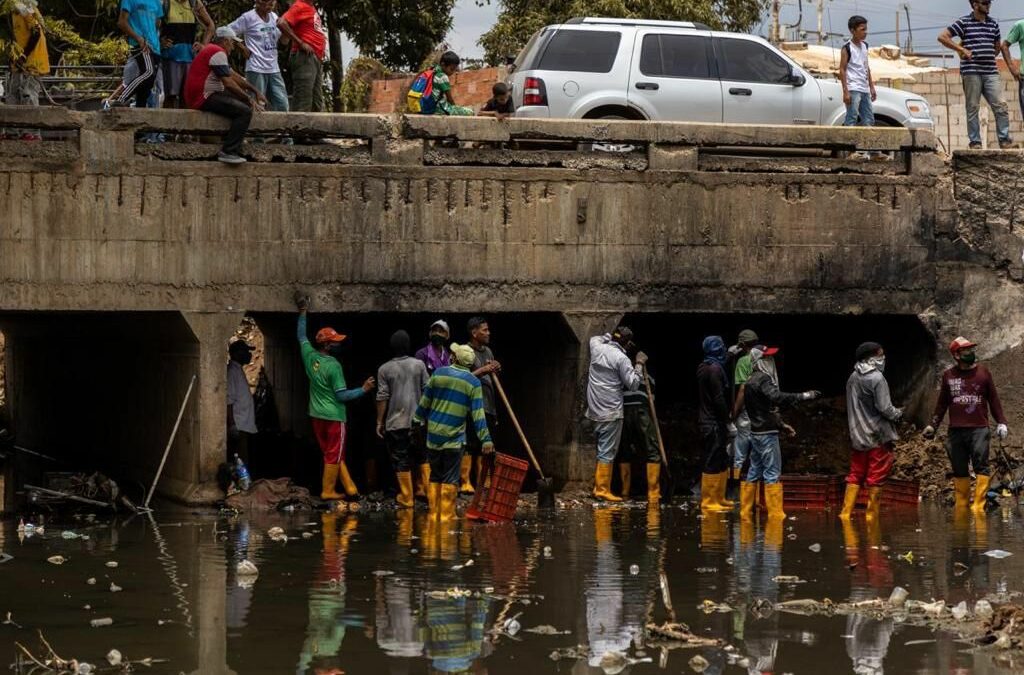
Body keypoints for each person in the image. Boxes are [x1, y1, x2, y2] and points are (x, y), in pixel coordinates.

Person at [295, 296, 375, 501]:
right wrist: (364, 389)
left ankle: (351, 489)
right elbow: (342, 395)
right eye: (335, 341)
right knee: (334, 454)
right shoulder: (334, 366)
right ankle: (328, 491)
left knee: (332, 453)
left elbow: (301, 336)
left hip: (316, 415)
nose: (339, 344)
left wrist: (303, 311)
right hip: (334, 416)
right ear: (328, 345)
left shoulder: (309, 356)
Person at [923, 337, 1008, 512]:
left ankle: (978, 507)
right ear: (956, 355)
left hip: (979, 429)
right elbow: (942, 404)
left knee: (981, 466)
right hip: (956, 431)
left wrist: (1001, 422)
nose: (970, 353)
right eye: (966, 350)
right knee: (959, 468)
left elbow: (993, 399)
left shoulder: (983, 373)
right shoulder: (948, 376)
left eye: (971, 349)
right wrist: (933, 425)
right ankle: (961, 506)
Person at [412, 343, 493, 523]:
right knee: (450, 477)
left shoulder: (439, 374)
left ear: (454, 358)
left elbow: (424, 403)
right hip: (454, 440)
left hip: (433, 437)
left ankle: (434, 515)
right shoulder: (473, 382)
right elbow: (478, 415)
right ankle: (446, 516)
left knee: (435, 475)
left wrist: (417, 420)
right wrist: (486, 440)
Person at [740, 346, 820, 520]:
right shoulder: (763, 379)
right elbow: (777, 397)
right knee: (772, 473)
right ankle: (775, 515)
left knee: (754, 470)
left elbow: (765, 408)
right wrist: (804, 396)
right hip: (767, 434)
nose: (771, 361)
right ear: (758, 361)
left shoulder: (749, 381)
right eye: (767, 358)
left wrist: (782, 424)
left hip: (756, 432)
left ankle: (745, 513)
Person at [938, 1, 1016, 150]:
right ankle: (975, 142)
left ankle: (1005, 140)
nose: (988, 5)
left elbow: (997, 46)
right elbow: (943, 37)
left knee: (1001, 105)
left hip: (990, 71)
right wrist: (961, 49)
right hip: (971, 71)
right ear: (974, 4)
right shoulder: (964, 22)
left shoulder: (993, 24)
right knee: (973, 107)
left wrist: (986, 54)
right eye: (984, 2)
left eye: (989, 2)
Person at [184, 26, 267, 165]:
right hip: (203, 97)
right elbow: (228, 83)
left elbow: (233, 76)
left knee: (242, 103)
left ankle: (230, 141)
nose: (233, 47)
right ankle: (229, 151)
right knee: (244, 111)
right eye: (233, 43)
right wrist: (249, 99)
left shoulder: (212, 50)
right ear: (226, 41)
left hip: (203, 95)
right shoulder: (218, 52)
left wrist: (255, 91)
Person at [841, 342, 902, 521]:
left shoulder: (852, 377)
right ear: (871, 358)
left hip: (857, 435)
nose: (883, 359)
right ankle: (871, 517)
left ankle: (845, 514)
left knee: (855, 474)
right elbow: (885, 408)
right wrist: (898, 414)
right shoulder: (877, 378)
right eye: (880, 355)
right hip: (877, 436)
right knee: (876, 475)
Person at [586, 327, 646, 502]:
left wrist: (611, 337)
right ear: (627, 344)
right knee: (607, 451)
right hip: (611, 410)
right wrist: (639, 364)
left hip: (595, 408)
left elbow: (597, 337)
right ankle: (602, 490)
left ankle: (599, 487)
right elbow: (633, 384)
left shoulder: (596, 346)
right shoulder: (621, 358)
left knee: (601, 448)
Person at [376, 330, 430, 509]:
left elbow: (382, 396)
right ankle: (428, 493)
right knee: (422, 457)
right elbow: (428, 390)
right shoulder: (419, 365)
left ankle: (407, 498)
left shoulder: (384, 369)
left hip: (395, 423)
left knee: (401, 459)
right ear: (408, 346)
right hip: (418, 422)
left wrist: (379, 421)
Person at [229, 0, 290, 113]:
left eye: (273, 2)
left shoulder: (274, 17)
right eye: (268, 1)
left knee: (282, 104)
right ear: (258, 2)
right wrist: (242, 47)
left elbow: (284, 41)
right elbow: (227, 31)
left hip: (273, 68)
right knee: (257, 105)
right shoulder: (248, 17)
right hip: (255, 67)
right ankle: (254, 130)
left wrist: (287, 31)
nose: (271, 4)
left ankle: (280, 130)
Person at [697, 335, 736, 512]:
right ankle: (708, 501)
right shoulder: (713, 371)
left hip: (714, 422)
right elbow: (719, 399)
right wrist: (728, 422)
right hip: (712, 422)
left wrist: (730, 354)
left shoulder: (707, 366)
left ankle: (719, 498)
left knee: (721, 459)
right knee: (712, 459)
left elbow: (721, 362)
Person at [464, 317, 500, 494]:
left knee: (488, 445)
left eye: (488, 329)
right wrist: (482, 371)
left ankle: (483, 481)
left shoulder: (488, 351)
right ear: (474, 333)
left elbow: (491, 376)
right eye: (484, 330)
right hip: (472, 406)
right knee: (472, 444)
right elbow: (461, 379)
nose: (488, 333)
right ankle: (466, 483)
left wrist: (495, 367)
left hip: (489, 404)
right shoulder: (465, 352)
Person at [840, 16, 884, 161]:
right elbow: (842, 69)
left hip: (864, 88)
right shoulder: (847, 48)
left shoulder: (865, 46)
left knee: (869, 119)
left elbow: (867, 67)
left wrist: (871, 87)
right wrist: (845, 91)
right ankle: (850, 151)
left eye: (866, 29)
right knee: (851, 118)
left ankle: (873, 151)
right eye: (862, 29)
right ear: (853, 30)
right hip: (853, 88)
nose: (865, 32)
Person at [617, 363, 661, 503]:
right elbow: (651, 400)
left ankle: (625, 491)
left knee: (624, 450)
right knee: (652, 449)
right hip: (641, 411)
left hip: (625, 411)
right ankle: (653, 493)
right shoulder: (649, 379)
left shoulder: (622, 376)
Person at [159, 0, 214, 109]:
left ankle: (182, 126)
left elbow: (210, 26)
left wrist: (204, 45)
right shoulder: (165, 3)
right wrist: (160, 41)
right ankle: (166, 126)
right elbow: (152, 25)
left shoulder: (195, 4)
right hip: (171, 57)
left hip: (190, 58)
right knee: (171, 96)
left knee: (187, 97)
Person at [276, 0, 325, 112]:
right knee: (303, 100)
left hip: (314, 57)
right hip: (304, 57)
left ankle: (314, 129)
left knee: (316, 101)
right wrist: (301, 43)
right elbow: (281, 23)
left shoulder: (310, 8)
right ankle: (298, 128)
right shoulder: (299, 5)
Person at [115, 0, 164, 109]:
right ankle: (120, 100)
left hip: (155, 46)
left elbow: (157, 23)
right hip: (140, 43)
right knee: (148, 72)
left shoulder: (156, 2)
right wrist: (138, 37)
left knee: (148, 84)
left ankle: (139, 110)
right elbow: (121, 22)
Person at [5, 0, 49, 116]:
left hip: (32, 60)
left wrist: (23, 56)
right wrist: (13, 56)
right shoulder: (13, 12)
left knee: (28, 94)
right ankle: (13, 130)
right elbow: (17, 38)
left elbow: (36, 33)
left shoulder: (27, 9)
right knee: (12, 94)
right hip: (19, 61)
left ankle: (32, 131)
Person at [730, 329, 759, 482]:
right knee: (758, 443)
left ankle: (736, 479)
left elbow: (742, 389)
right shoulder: (764, 358)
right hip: (762, 409)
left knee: (741, 443)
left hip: (748, 408)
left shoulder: (743, 362)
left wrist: (734, 412)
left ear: (741, 344)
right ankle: (755, 479)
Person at [227, 340, 258, 467]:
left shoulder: (238, 370)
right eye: (246, 351)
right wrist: (232, 424)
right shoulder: (232, 372)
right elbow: (228, 401)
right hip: (238, 425)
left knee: (242, 459)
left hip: (243, 424)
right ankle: (242, 485)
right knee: (240, 461)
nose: (249, 355)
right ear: (237, 354)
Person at [430, 51, 473, 116]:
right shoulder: (443, 76)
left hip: (427, 106)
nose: (452, 72)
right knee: (470, 112)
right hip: (437, 109)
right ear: (443, 65)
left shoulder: (432, 72)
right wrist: (455, 108)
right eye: (451, 69)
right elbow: (450, 99)